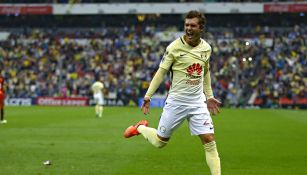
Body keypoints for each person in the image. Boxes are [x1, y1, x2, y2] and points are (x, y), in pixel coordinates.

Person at [123, 10, 222, 175]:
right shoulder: (174, 48)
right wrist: (148, 96)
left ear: (201, 28)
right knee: (160, 142)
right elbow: (161, 72)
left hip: (197, 102)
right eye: (187, 25)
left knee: (209, 140)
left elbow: (205, 72)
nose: (189, 28)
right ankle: (140, 128)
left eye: (193, 25)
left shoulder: (206, 48)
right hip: (176, 102)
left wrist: (209, 96)